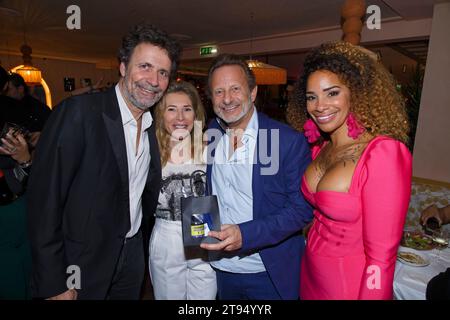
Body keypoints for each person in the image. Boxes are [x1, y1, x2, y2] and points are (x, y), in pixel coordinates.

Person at [26, 24, 181, 300]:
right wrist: (54, 281)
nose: (153, 80)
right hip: (80, 263)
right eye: (144, 66)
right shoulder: (79, 114)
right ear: (122, 66)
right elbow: (44, 201)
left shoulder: (153, 127)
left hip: (131, 256)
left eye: (163, 73)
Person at [288, 41, 412, 300]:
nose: (319, 105)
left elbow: (382, 259)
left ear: (355, 94)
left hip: (348, 285)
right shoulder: (319, 148)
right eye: (312, 97)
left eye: (332, 93)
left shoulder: (383, 154)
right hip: (309, 275)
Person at [199, 54, 312, 300]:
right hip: (220, 269)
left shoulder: (286, 141)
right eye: (219, 92)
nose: (227, 99)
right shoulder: (210, 133)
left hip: (267, 272)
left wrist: (246, 234)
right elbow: (204, 188)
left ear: (252, 93)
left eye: (235, 89)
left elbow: (301, 209)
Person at [148, 80, 216, 299]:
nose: (180, 117)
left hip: (204, 227)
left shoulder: (211, 145)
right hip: (167, 232)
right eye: (171, 109)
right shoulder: (149, 149)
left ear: (195, 114)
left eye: (187, 109)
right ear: (161, 114)